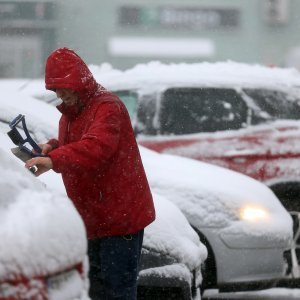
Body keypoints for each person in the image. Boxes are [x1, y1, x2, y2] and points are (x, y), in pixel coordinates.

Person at [25, 47, 156, 299]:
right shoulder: (74, 111)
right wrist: (51, 146)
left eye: (63, 87)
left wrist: (53, 160)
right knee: (95, 290)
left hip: (119, 219)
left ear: (78, 81)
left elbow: (97, 147)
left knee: (116, 291)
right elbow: (78, 140)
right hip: (93, 217)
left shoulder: (107, 107)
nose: (60, 94)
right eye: (54, 90)